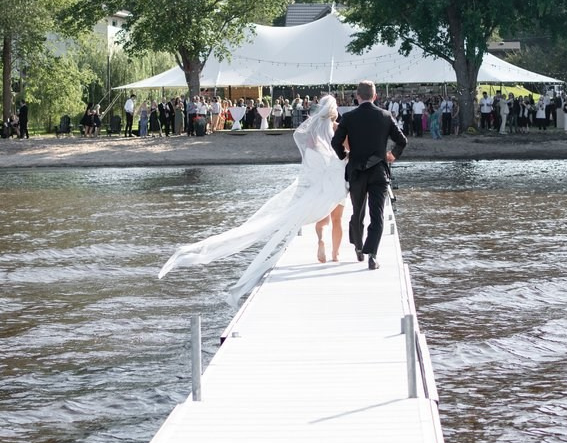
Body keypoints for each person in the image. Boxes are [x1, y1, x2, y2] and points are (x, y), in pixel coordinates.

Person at [159, 95, 347, 303]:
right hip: (330, 178)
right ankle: (333, 252)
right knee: (330, 214)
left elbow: (310, 149)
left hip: (313, 175)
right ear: (333, 110)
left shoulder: (311, 128)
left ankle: (320, 240)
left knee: (313, 215)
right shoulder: (337, 127)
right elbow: (339, 152)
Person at [331, 80, 407, 271]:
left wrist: (344, 156)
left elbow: (335, 142)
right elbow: (402, 140)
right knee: (377, 214)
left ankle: (358, 247)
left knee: (358, 212)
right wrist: (393, 155)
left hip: (356, 170)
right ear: (375, 96)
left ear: (357, 96)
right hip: (379, 171)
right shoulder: (385, 115)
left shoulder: (349, 117)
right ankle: (372, 255)